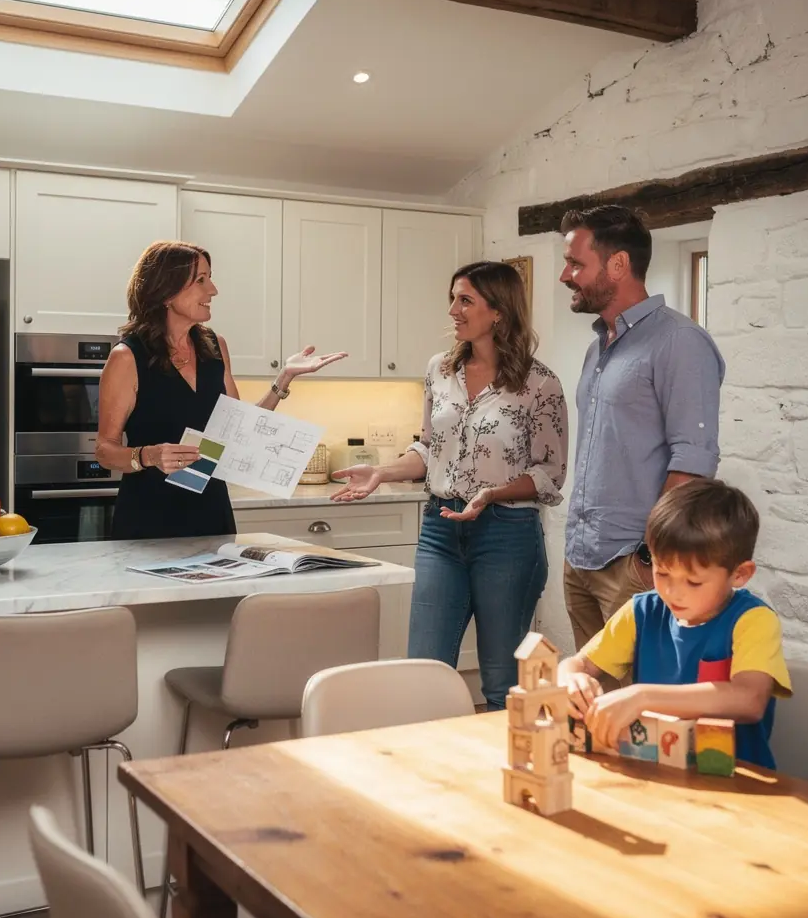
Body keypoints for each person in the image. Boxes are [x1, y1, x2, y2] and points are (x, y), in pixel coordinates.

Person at [332, 262, 568, 710]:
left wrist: (491, 494)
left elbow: (548, 474)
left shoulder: (540, 384)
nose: (453, 311)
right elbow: (427, 448)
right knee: (424, 672)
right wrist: (383, 471)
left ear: (498, 311)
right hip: (440, 531)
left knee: (501, 682)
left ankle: (506, 772)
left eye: (465, 301)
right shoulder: (439, 370)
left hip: (507, 535)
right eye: (453, 299)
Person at [560, 205, 726, 663]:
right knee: (590, 708)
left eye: (576, 264)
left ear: (618, 265)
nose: (564, 275)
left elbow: (692, 464)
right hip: (582, 557)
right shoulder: (600, 347)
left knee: (643, 715)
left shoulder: (679, 341)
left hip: (633, 567)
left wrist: (649, 560)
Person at [96, 241, 346, 539]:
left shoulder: (214, 346)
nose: (212, 290)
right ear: (166, 290)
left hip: (211, 511)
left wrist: (285, 377)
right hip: (149, 518)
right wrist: (147, 456)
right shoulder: (127, 357)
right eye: (200, 280)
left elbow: (242, 429)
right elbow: (105, 450)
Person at [558, 479, 791, 769]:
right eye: (662, 571)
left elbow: (749, 699)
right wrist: (569, 679)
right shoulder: (642, 611)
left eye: (693, 581)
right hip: (657, 773)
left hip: (736, 779)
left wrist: (642, 696)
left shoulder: (753, 620)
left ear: (740, 574)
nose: (672, 592)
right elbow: (578, 664)